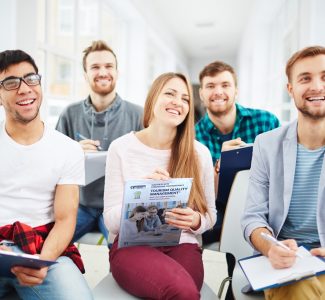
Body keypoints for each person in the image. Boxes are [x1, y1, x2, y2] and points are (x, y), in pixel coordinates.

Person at [103, 72, 216, 299]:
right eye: (170, 94)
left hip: (182, 244)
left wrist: (195, 221)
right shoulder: (121, 148)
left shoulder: (199, 153)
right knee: (183, 292)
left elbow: (210, 216)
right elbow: (110, 221)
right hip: (132, 246)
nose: (178, 102)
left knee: (184, 292)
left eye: (185, 98)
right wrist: (139, 193)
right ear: (153, 98)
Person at [0, 50, 92, 299]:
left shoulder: (68, 149)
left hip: (43, 245)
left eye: (31, 78)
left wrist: (42, 262)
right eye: (11, 83)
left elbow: (65, 220)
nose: (24, 89)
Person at [241, 45, 325, 300]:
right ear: (291, 89)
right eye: (305, 78)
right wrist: (269, 247)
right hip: (288, 262)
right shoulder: (266, 145)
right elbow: (252, 218)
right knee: (299, 290)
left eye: (324, 77)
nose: (317, 86)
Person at [56, 40, 143, 243]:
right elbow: (53, 166)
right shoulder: (70, 114)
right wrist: (73, 152)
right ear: (85, 75)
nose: (102, 72)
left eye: (108, 66)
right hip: (80, 205)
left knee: (129, 253)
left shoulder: (139, 115)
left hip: (119, 205)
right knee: (48, 244)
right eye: (95, 67)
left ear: (117, 72)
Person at [195, 60, 280, 245]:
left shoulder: (266, 122)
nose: (218, 92)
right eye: (210, 86)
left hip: (265, 204)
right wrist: (220, 166)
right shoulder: (193, 138)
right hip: (219, 210)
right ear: (201, 94)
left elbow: (283, 171)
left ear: (236, 90)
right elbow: (201, 196)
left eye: (225, 85)